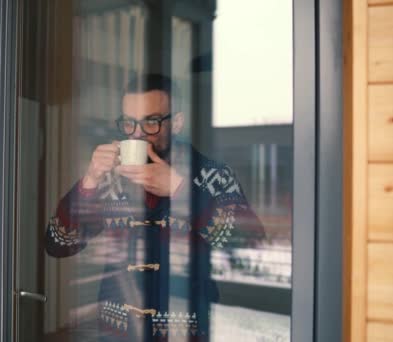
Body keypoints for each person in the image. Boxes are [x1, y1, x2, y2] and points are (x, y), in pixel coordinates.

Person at [45, 73, 264, 341]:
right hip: (117, 332)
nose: (137, 134)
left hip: (185, 331)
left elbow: (246, 246)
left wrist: (180, 190)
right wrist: (90, 179)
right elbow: (58, 243)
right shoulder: (112, 177)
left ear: (178, 123)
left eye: (151, 122)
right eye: (129, 123)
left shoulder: (211, 174)